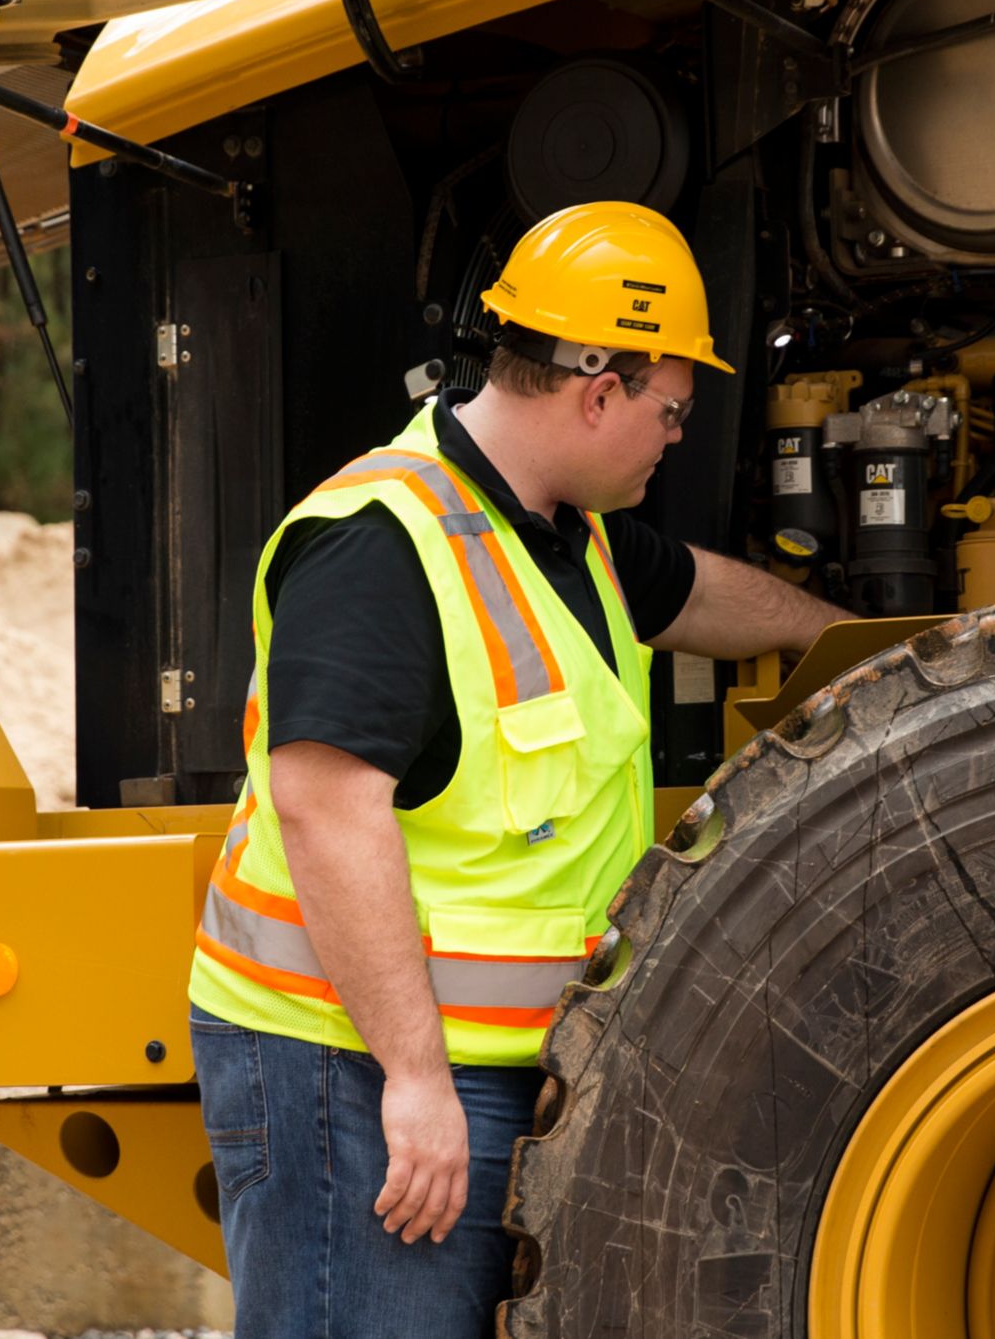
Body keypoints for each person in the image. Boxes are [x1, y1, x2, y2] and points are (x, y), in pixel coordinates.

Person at [186, 200, 850, 1339]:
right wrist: (415, 1081)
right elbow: (326, 809)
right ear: (600, 390)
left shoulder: (567, 531)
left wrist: (870, 647)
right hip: (353, 1069)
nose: (676, 437)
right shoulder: (378, 540)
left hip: (502, 1066)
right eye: (672, 409)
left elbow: (703, 593)